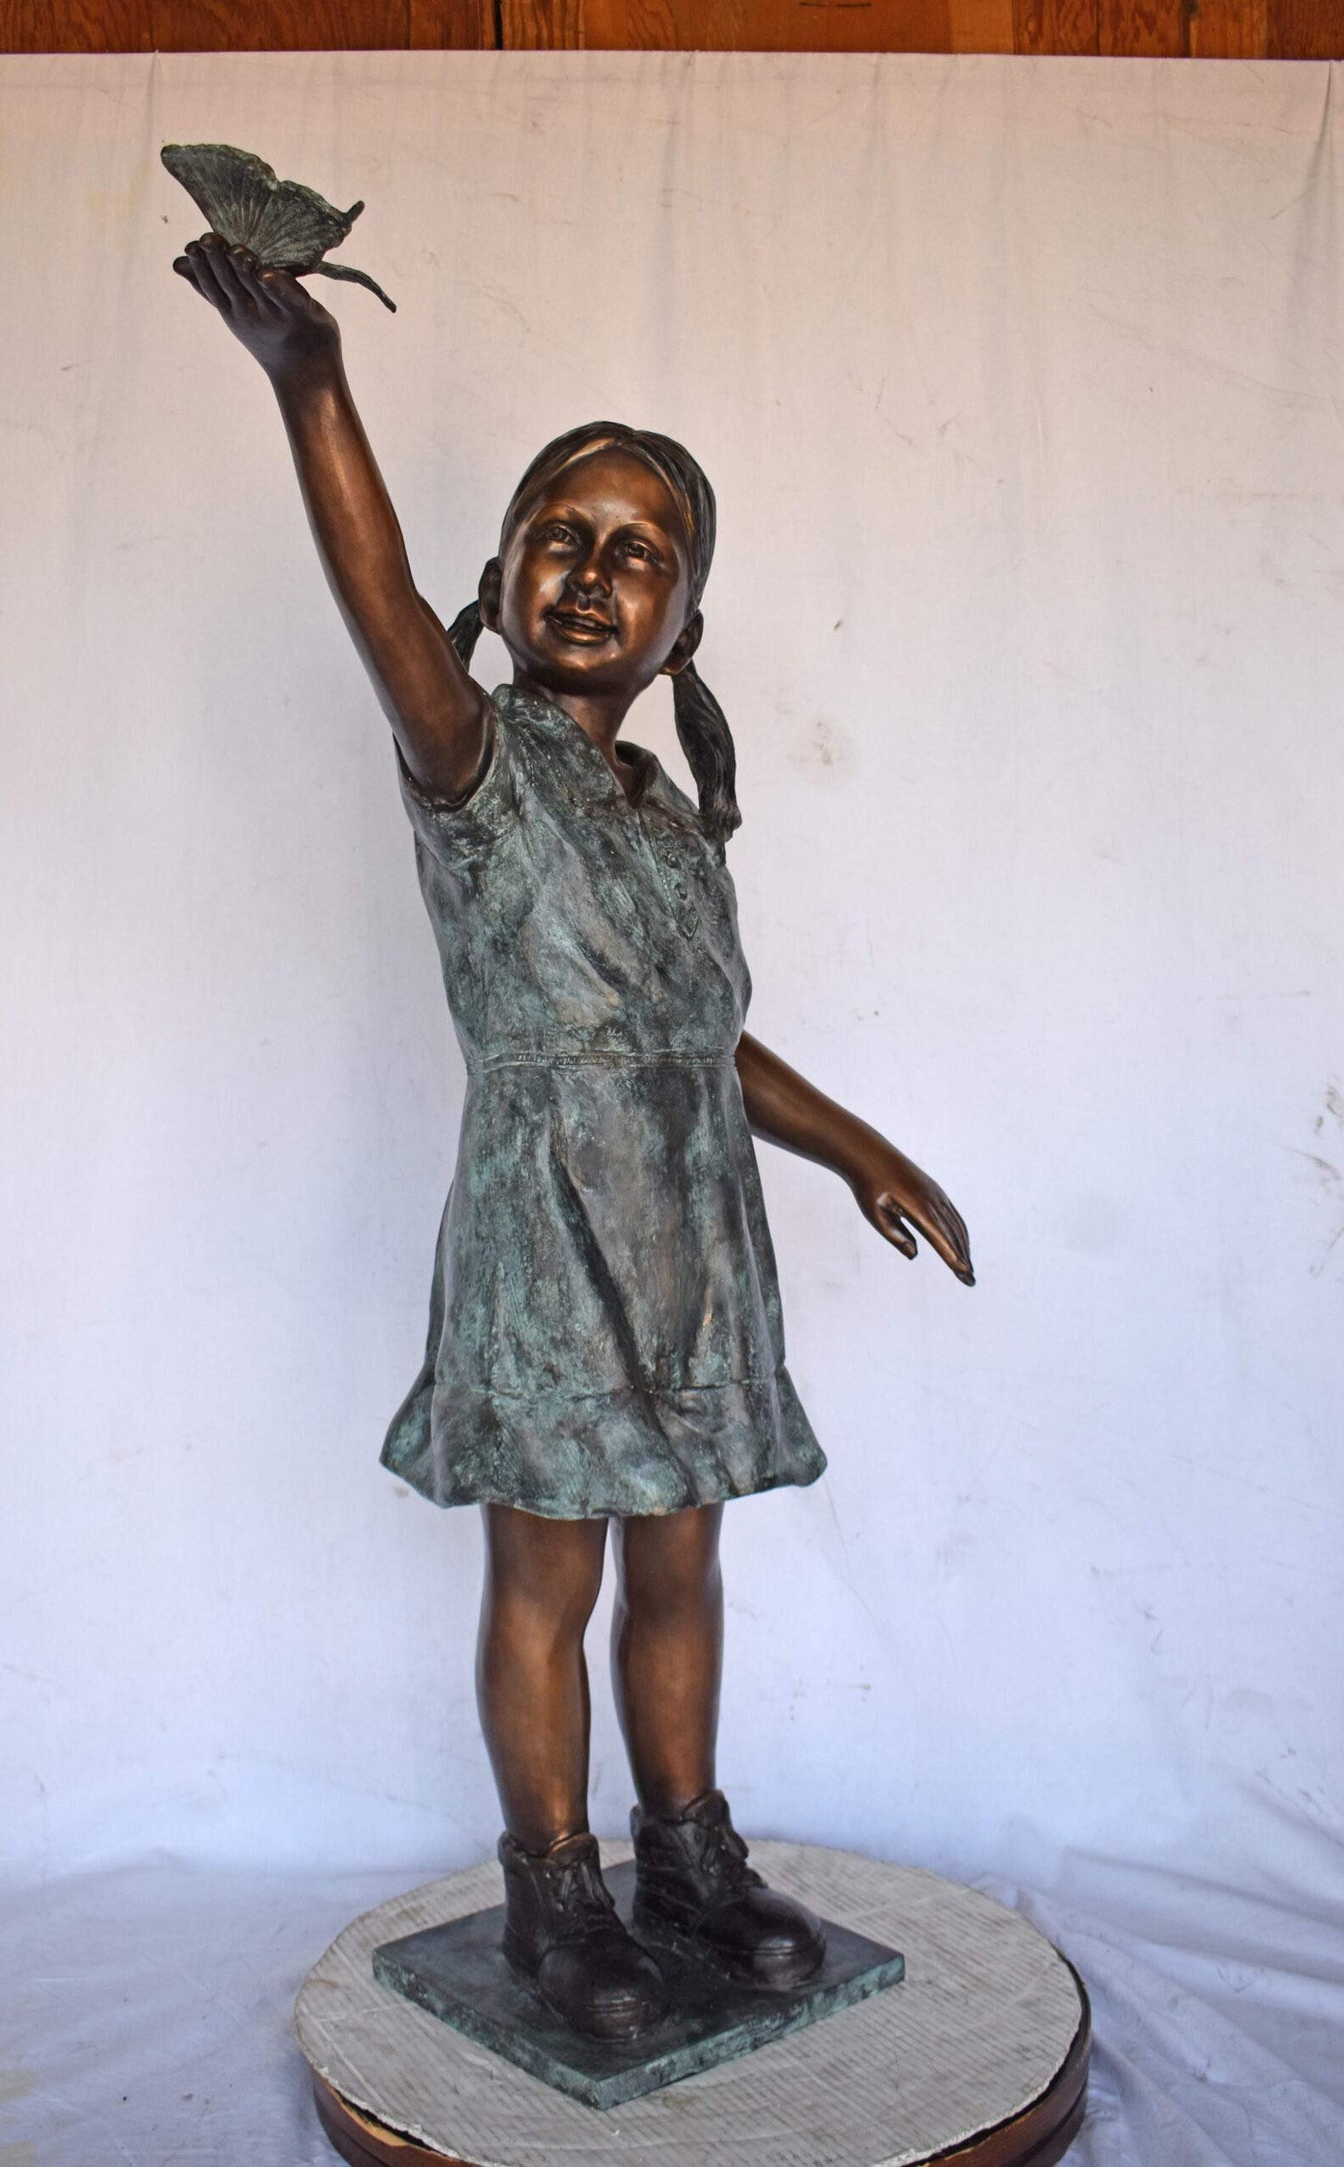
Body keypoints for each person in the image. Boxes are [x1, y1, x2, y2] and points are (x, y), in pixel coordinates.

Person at [175, 232, 974, 2042]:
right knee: (550, 1568)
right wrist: (313, 379)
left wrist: (856, 1146)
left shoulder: (672, 822)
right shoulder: (473, 760)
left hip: (692, 1235)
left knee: (683, 1553)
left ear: (688, 620)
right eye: (561, 534)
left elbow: (702, 1045)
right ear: (500, 575)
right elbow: (370, 588)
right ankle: (553, 1894)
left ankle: (684, 1854)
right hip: (550, 1228)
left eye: (641, 553)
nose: (596, 573)